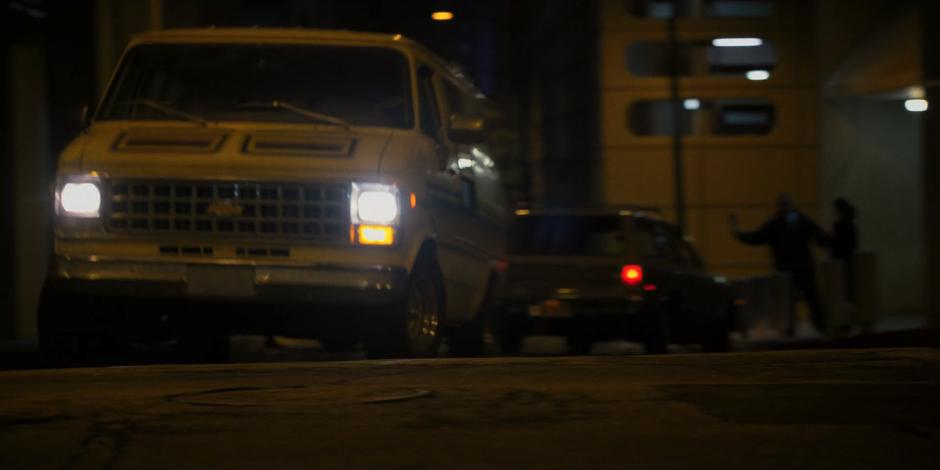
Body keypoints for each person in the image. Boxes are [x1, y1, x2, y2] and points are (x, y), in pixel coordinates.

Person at [729, 193, 829, 336]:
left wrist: (738, 234)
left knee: (788, 300)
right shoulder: (800, 220)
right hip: (804, 267)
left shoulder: (776, 223)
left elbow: (756, 237)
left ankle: (790, 329)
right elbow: (820, 236)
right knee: (811, 297)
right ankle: (821, 326)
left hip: (785, 269)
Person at [829, 198, 858, 302]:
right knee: (849, 289)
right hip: (850, 259)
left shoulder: (839, 225)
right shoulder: (852, 224)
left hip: (839, 261)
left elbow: (834, 243)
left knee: (841, 290)